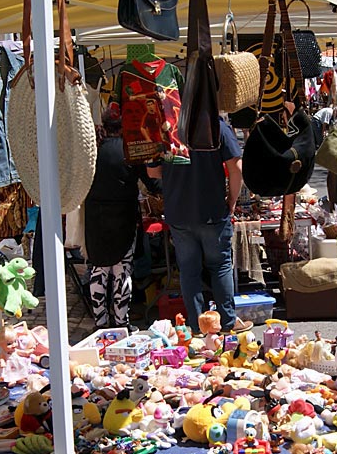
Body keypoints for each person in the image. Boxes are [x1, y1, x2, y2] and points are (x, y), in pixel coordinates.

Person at [161, 116, 252, 334]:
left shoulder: (167, 128)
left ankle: (197, 325)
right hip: (211, 211)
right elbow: (236, 168)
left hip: (179, 212)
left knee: (189, 270)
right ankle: (227, 323)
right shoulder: (217, 126)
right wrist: (232, 199)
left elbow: (153, 172)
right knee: (219, 265)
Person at [82, 104, 159, 329]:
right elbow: (152, 184)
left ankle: (101, 323)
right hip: (123, 215)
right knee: (122, 270)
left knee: (99, 268)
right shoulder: (130, 150)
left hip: (95, 216)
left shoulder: (94, 149)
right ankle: (121, 323)